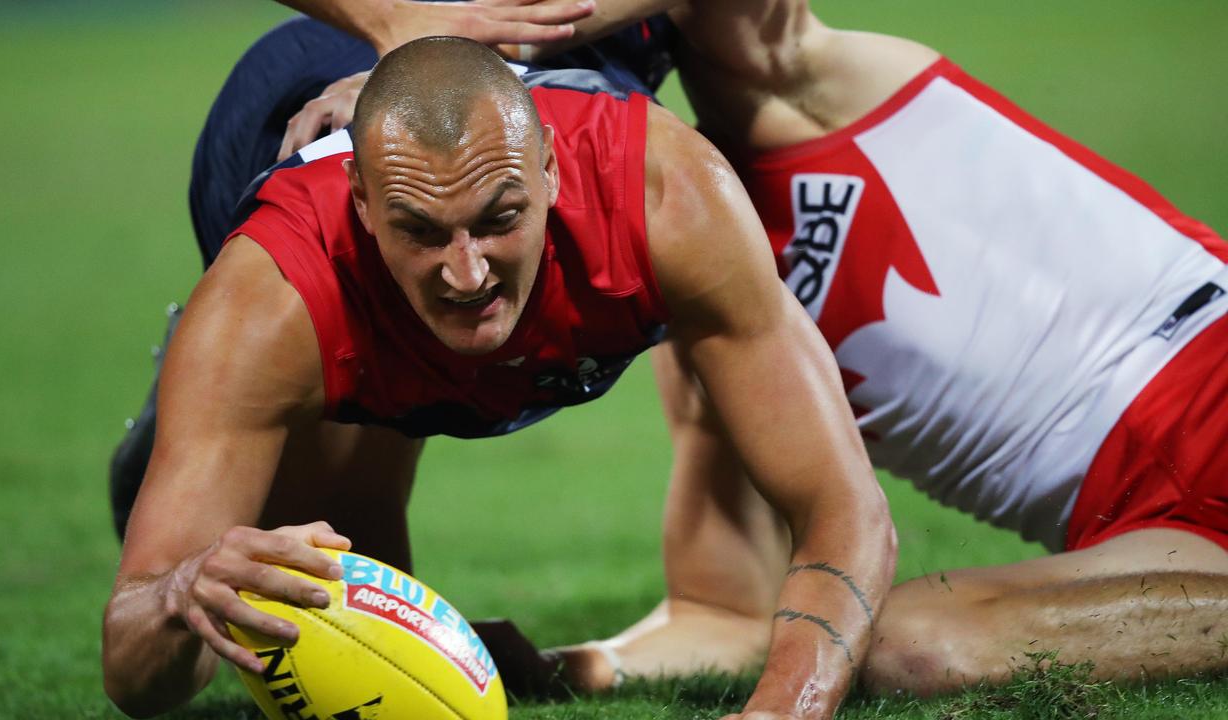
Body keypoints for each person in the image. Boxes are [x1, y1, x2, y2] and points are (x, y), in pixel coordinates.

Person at [101, 36, 894, 720]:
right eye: (421, 230)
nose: (467, 273)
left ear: (549, 170)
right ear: (364, 205)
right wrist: (179, 590)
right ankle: (190, 422)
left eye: (499, 218)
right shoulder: (268, 305)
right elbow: (134, 671)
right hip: (284, 122)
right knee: (312, 592)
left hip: (528, 101)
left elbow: (845, 510)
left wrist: (785, 707)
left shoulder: (667, 197)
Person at [513, 0, 1228, 698]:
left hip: (1211, 360)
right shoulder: (691, 284)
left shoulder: (794, 87)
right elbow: (722, 615)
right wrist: (545, 670)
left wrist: (459, 25)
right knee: (904, 642)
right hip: (1172, 539)